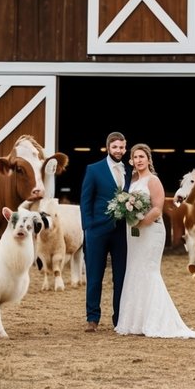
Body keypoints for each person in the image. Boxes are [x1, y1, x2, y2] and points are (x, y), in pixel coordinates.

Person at [115, 143, 195, 339]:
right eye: (135, 157)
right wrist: (128, 217)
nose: (138, 160)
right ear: (131, 160)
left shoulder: (153, 180)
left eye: (141, 157)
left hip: (150, 230)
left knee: (148, 270)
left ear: (148, 159)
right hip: (134, 234)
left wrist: (141, 222)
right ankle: (135, 322)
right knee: (134, 270)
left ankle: (154, 320)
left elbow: (157, 207)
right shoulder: (131, 182)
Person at [80, 131, 130, 332]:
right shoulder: (93, 170)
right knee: (94, 275)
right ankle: (93, 318)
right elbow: (86, 200)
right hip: (97, 231)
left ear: (125, 148)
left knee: (121, 276)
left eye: (121, 147)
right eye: (115, 147)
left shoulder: (130, 171)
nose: (118, 150)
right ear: (108, 147)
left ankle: (119, 318)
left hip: (121, 232)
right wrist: (88, 227)